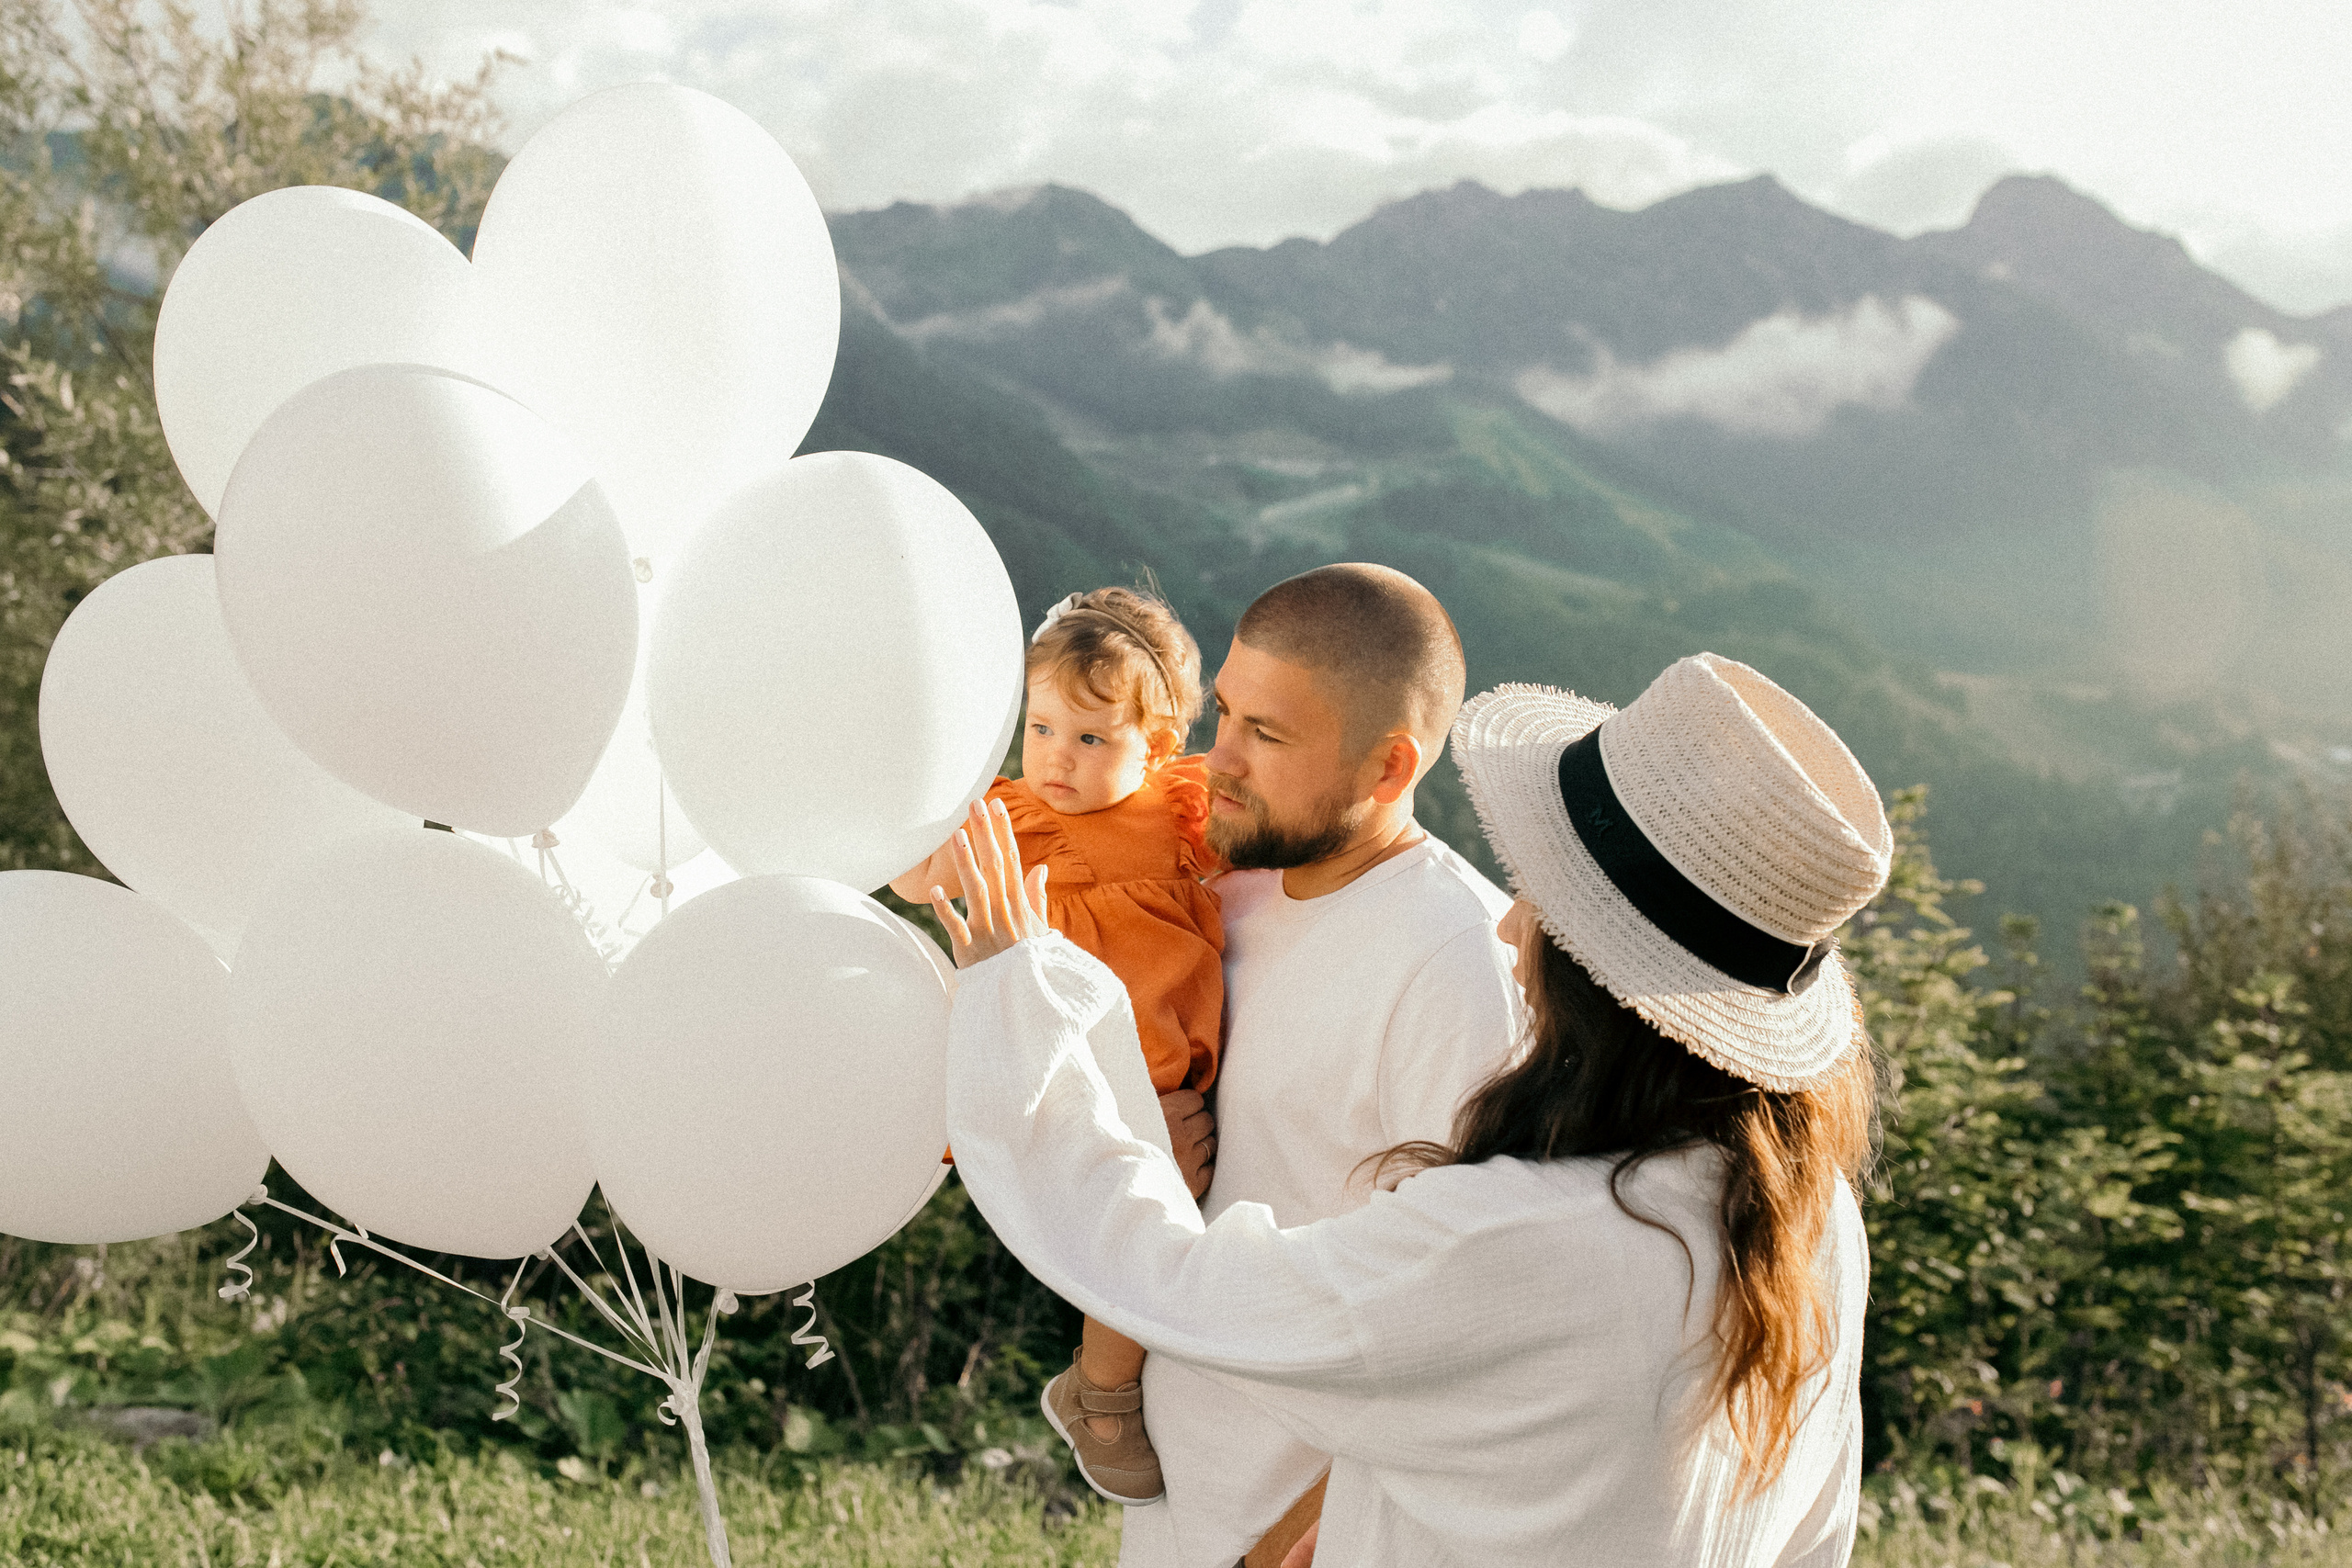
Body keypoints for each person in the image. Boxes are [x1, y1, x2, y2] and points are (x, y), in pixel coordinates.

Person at [933, 650, 1892, 1566]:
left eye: (1540, 896)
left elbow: (1171, 1279)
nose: (1509, 923)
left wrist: (1024, 997)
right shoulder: (1815, 1225)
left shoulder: (1520, 1237)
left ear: (1600, 976)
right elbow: (1813, 1532)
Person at [1138, 563, 1522, 1568]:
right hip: (1176, 1500)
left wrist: (1279, 1551)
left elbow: (1459, 1320)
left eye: (1267, 736)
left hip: (1298, 1537)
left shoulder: (1456, 965)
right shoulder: (1227, 890)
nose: (1218, 761)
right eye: (1224, 713)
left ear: (1389, 768)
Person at [891, 585, 1225, 1506]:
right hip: (1073, 1066)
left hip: (1164, 1066)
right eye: (1039, 728)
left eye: (1090, 737)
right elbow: (913, 873)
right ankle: (1103, 1393)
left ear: (1158, 746)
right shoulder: (1010, 816)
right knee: (1150, 1203)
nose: (1056, 757)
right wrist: (933, 770)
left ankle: (1104, 1378)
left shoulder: (1179, 810)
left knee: (1165, 1207)